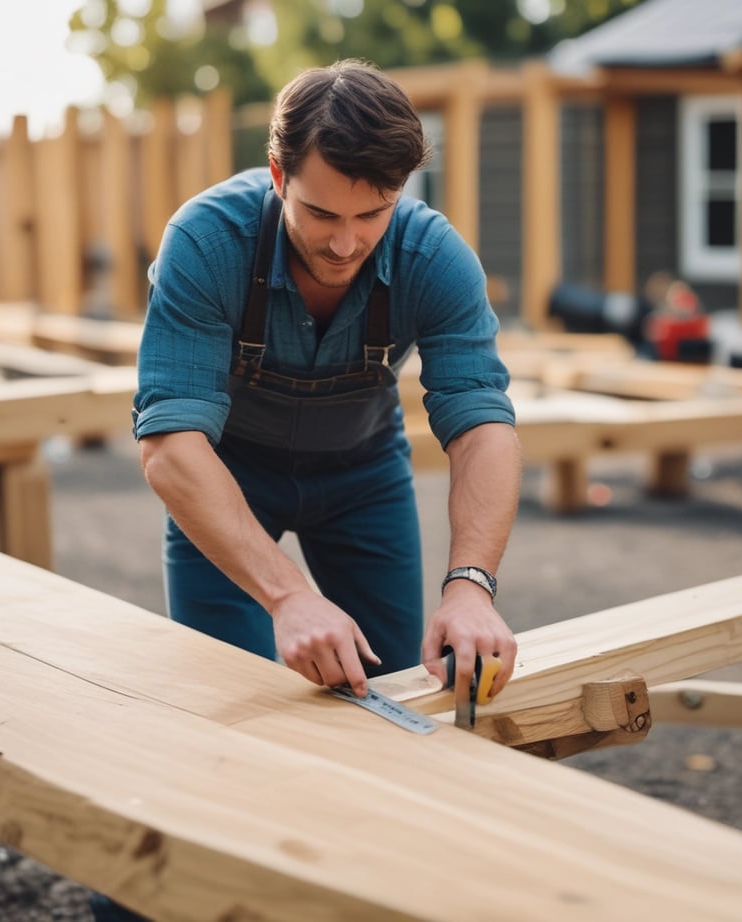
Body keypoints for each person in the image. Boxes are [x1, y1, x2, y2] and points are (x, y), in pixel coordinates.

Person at [90, 58, 520, 921]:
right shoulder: (208, 240)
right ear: (280, 173)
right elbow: (173, 450)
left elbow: (482, 423)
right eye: (322, 211)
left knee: (402, 703)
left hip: (363, 477)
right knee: (228, 716)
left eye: (373, 213)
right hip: (227, 482)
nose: (346, 241)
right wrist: (287, 596)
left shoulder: (434, 256)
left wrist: (471, 586)